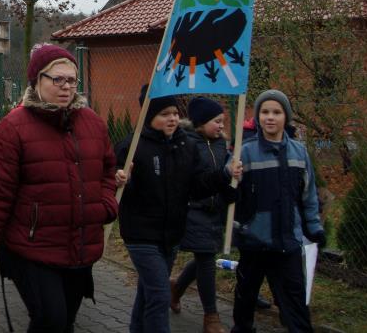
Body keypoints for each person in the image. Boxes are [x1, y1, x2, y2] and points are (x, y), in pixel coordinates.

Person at [0, 44, 118, 332]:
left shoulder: (93, 123)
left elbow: (108, 170)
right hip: (31, 249)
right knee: (52, 320)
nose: (66, 86)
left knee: (64, 322)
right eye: (57, 79)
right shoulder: (13, 128)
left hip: (80, 247)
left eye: (72, 80)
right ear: (36, 81)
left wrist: (105, 204)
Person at [114, 86, 242, 333]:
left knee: (148, 293)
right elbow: (112, 180)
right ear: (148, 116)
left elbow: (197, 186)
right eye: (164, 114)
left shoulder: (184, 145)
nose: (172, 118)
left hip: (171, 235)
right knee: (160, 295)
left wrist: (224, 175)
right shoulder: (132, 146)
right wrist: (120, 179)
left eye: (174, 112)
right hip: (141, 235)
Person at [231, 90, 325, 333]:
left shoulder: (299, 152)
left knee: (295, 304)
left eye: (276, 112)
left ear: (286, 117)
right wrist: (229, 175)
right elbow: (228, 191)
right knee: (245, 299)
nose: (270, 117)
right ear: (257, 117)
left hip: (287, 242)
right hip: (254, 240)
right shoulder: (245, 152)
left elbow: (309, 195)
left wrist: (314, 227)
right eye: (264, 112)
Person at [169, 97, 235, 333]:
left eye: (223, 121)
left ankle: (177, 287)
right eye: (216, 121)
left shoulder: (221, 144)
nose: (220, 126)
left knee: (204, 256)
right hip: (194, 209)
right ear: (201, 122)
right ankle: (211, 316)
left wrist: (231, 189)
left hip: (215, 208)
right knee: (207, 258)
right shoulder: (188, 143)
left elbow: (224, 175)